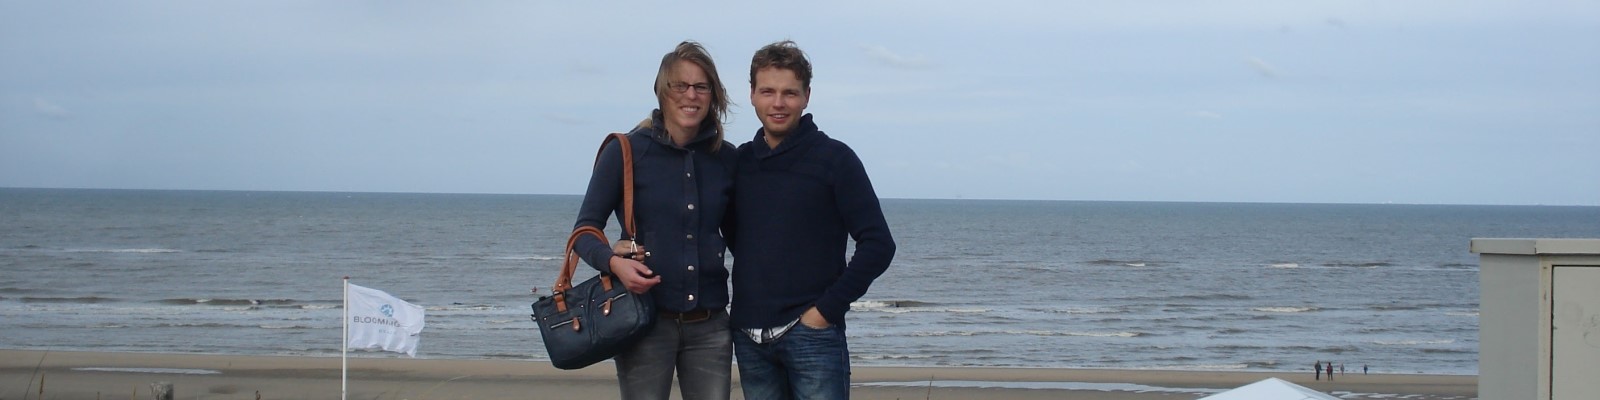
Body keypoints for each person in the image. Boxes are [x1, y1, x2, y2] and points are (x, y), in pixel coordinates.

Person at [727, 40, 898, 400]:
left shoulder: (835, 159)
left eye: (789, 93)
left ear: (806, 96)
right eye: (768, 91)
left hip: (813, 335)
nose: (778, 102)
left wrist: (825, 311)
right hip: (749, 337)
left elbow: (879, 244)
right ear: (752, 95)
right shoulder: (739, 163)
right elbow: (736, 236)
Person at [572, 40, 738, 400]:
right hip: (643, 322)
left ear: (713, 95)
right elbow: (584, 231)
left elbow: (745, 238)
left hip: (711, 327)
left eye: (701, 86)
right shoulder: (626, 150)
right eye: (680, 85)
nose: (690, 95)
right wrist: (614, 263)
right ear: (663, 91)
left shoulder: (726, 159)